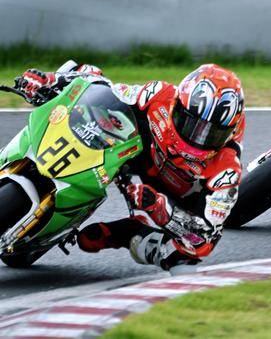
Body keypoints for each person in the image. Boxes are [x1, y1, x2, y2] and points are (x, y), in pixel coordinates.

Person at [16, 61, 245, 270]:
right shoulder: (160, 94)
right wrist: (51, 80)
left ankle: (127, 232)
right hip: (145, 155)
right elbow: (108, 89)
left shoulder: (227, 171)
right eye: (190, 124)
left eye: (211, 134)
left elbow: (204, 238)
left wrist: (160, 207)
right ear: (177, 104)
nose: (197, 139)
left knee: (179, 258)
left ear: (229, 133)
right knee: (88, 84)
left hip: (176, 198)